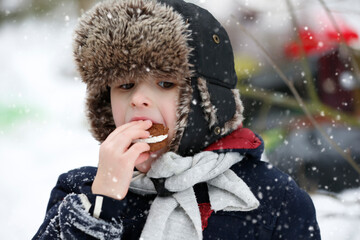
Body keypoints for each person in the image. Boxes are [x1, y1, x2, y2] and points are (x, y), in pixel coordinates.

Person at [33, 0, 321, 239]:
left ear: (207, 102)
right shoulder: (80, 193)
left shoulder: (273, 199)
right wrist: (101, 204)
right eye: (124, 85)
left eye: (165, 84)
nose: (137, 100)